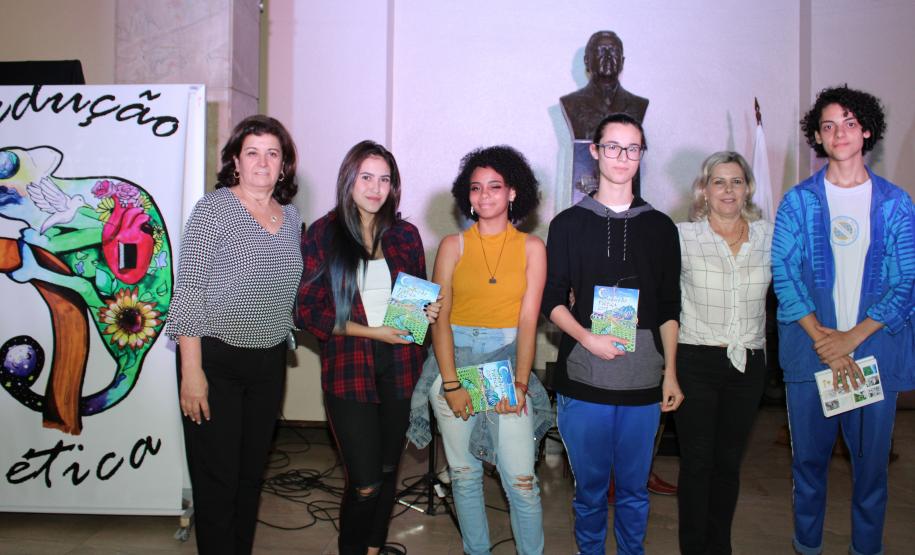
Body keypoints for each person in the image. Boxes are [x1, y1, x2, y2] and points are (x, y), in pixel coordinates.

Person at [772, 86, 915, 555]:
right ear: (817, 135)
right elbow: (785, 275)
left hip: (872, 352)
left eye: (850, 123)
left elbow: (906, 282)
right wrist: (825, 341)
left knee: (871, 471)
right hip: (812, 353)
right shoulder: (799, 202)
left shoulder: (896, 203)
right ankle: (806, 547)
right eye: (829, 125)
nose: (840, 132)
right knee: (808, 469)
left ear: (867, 130)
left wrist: (852, 339)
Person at [543, 112, 683, 555]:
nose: (623, 157)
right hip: (585, 376)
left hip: (644, 379)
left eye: (633, 148)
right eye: (613, 147)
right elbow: (551, 300)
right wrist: (588, 338)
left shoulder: (661, 227)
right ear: (595, 152)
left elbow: (668, 306)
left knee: (635, 491)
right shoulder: (567, 224)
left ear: (641, 155)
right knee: (589, 492)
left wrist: (671, 373)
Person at [165, 114, 303, 555]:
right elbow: (188, 291)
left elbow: (293, 288)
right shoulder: (214, 209)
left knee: (248, 476)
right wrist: (192, 371)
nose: (262, 162)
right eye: (252, 152)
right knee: (217, 479)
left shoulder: (292, 216)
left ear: (284, 165)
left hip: (268, 363)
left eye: (272, 153)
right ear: (235, 162)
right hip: (213, 360)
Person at [295, 140, 438, 555]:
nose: (376, 188)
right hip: (349, 373)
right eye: (367, 177)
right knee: (365, 482)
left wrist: (426, 312)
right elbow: (308, 311)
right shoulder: (324, 233)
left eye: (385, 179)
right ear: (349, 180)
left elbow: (414, 305)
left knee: (389, 471)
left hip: (399, 367)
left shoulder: (405, 235)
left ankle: (374, 549)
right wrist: (372, 332)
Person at [409, 145, 549, 555]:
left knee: (522, 481)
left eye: (494, 186)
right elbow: (441, 319)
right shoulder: (453, 246)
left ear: (512, 193)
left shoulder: (532, 249)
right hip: (453, 362)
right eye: (475, 188)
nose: (484, 195)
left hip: (504, 365)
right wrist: (450, 383)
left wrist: (520, 383)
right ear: (466, 195)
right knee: (464, 474)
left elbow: (528, 322)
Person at [675, 151, 773, 554]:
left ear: (748, 187)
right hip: (696, 360)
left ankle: (720, 547)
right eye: (719, 181)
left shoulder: (769, 234)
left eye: (736, 181)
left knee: (729, 464)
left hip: (748, 362)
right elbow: (650, 284)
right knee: (697, 464)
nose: (728, 190)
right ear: (704, 189)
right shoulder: (682, 236)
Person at [559, 31, 649, 141]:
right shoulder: (571, 103)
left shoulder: (638, 104)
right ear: (587, 61)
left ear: (622, 61)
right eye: (600, 51)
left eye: (614, 51)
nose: (608, 56)